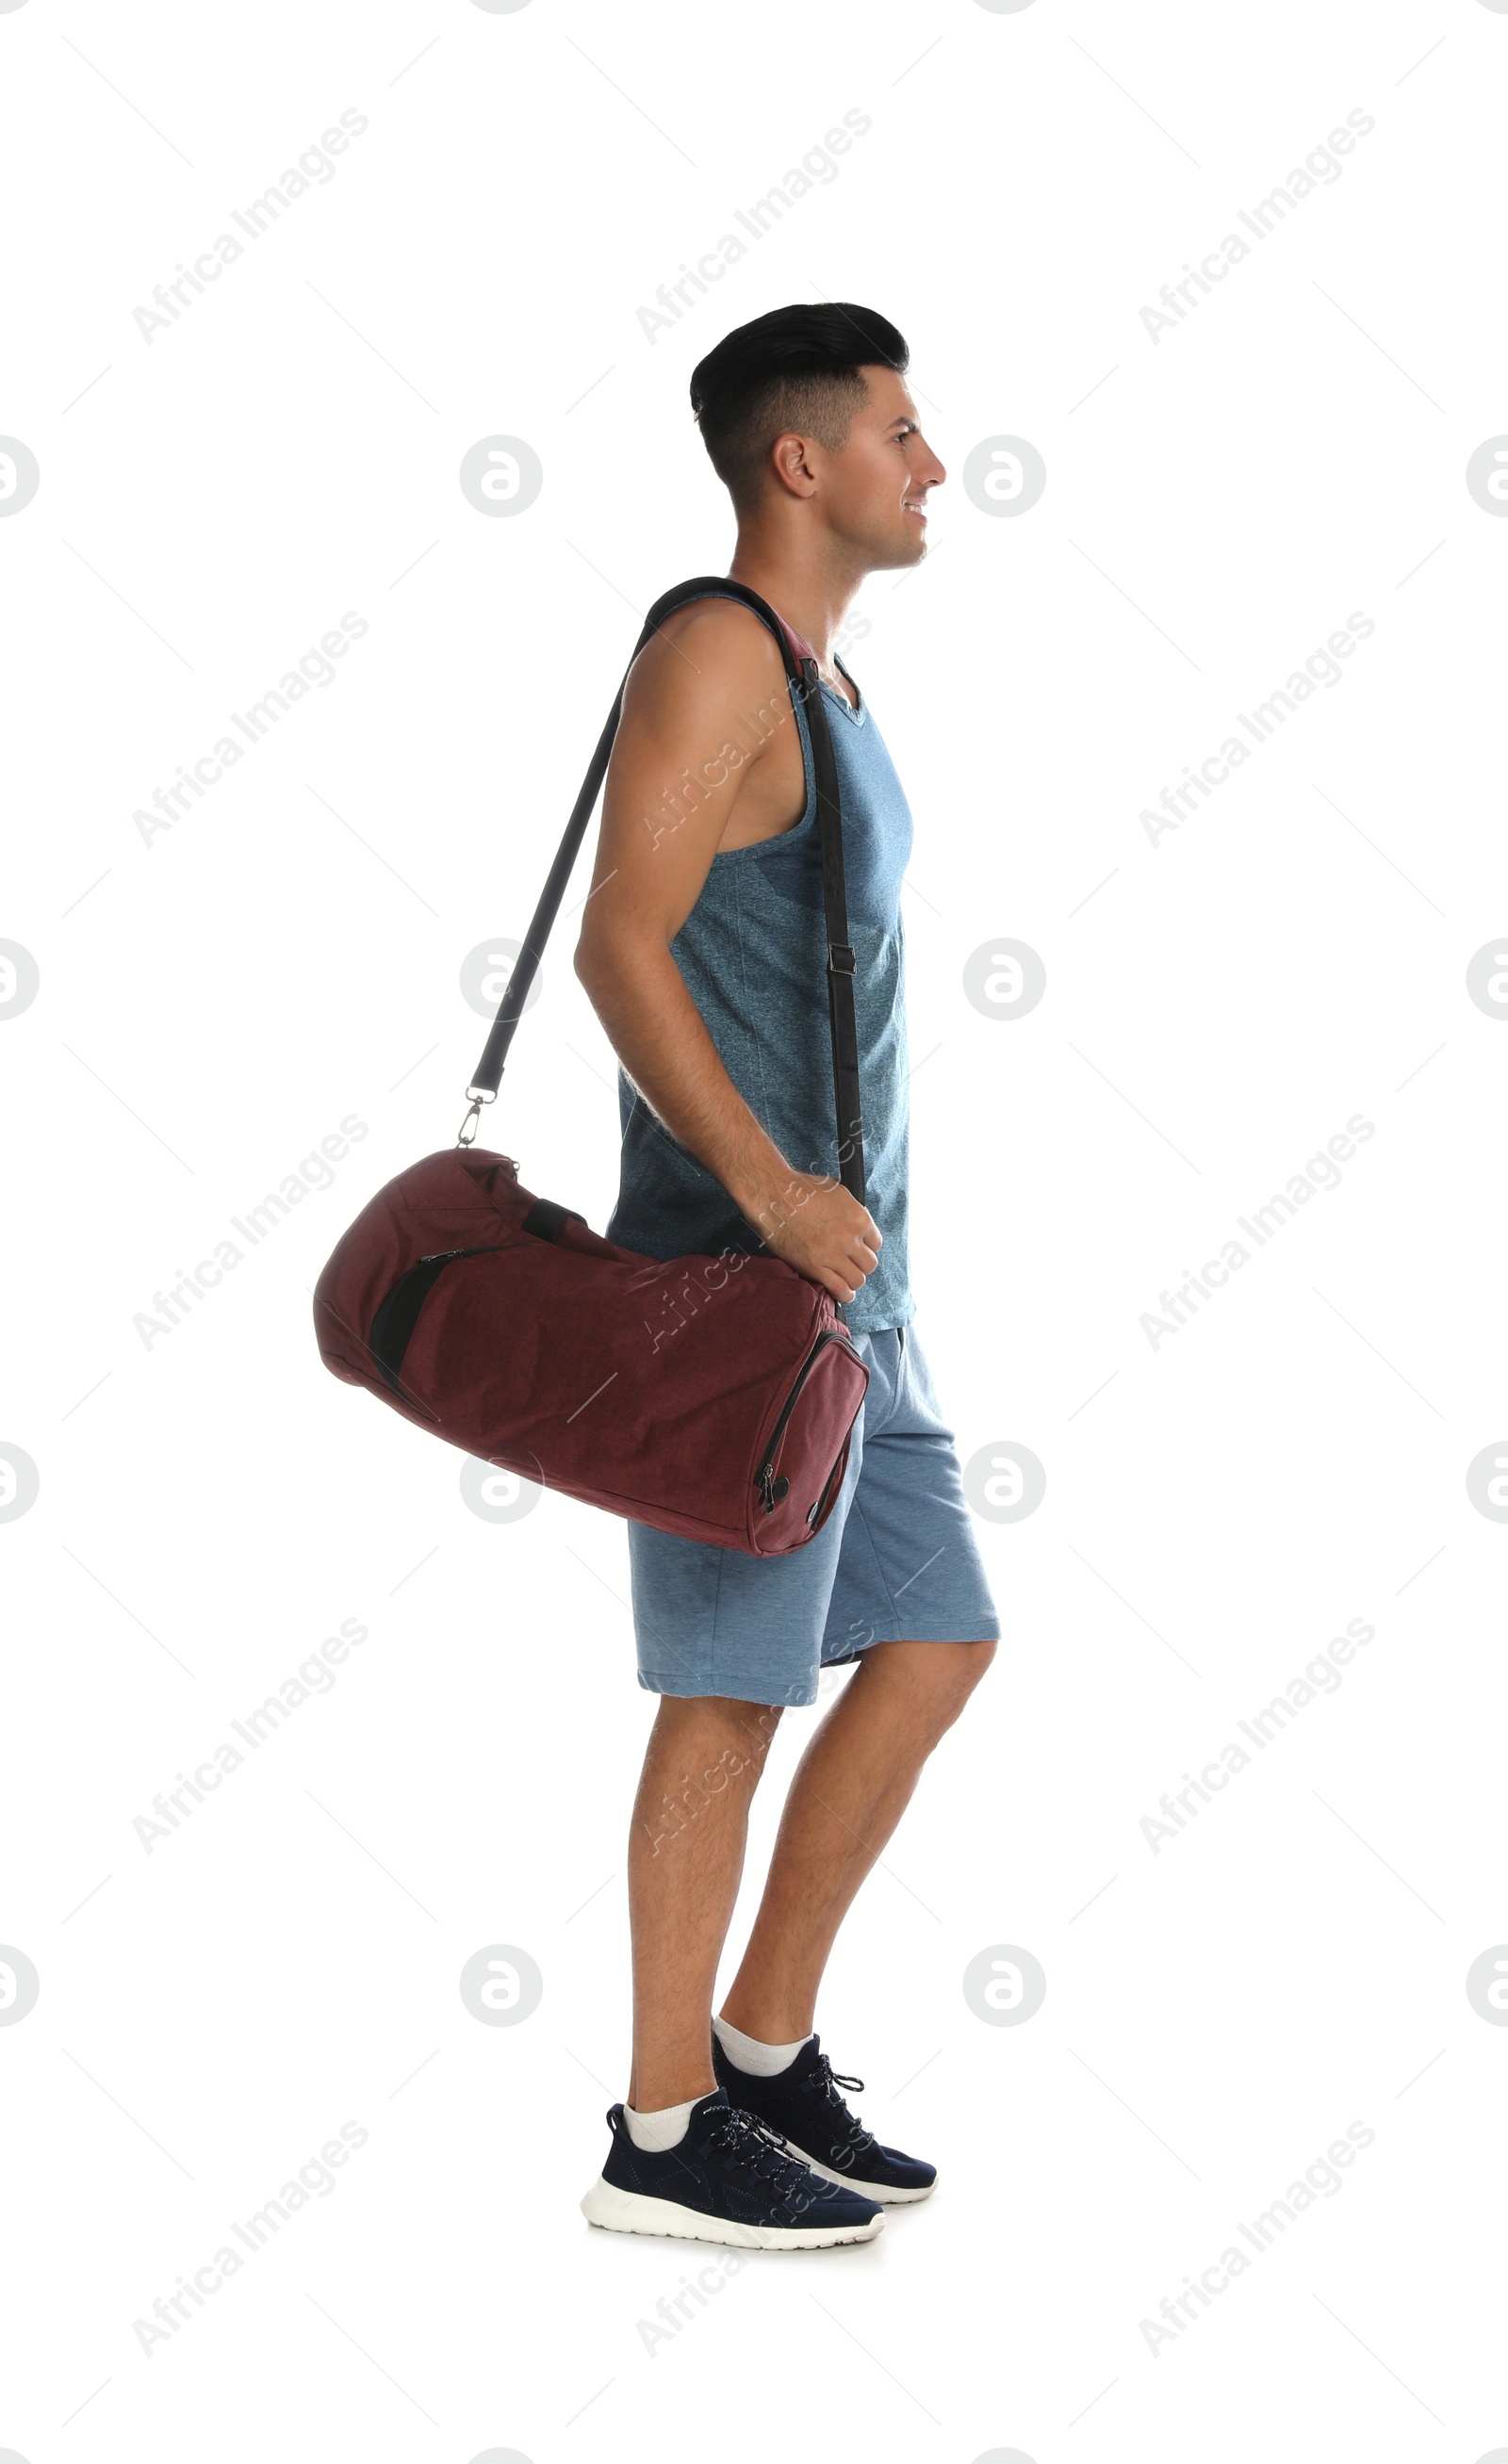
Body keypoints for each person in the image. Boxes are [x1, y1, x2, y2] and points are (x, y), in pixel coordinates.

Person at [573, 304, 1000, 2249]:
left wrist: (841, 1228)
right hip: (736, 1296)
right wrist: (760, 1193)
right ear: (798, 462)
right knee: (729, 1698)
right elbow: (619, 943)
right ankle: (658, 2141)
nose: (931, 464)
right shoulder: (713, 653)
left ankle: (759, 2055)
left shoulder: (828, 686)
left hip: (856, 1295)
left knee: (934, 1644)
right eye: (900, 432)